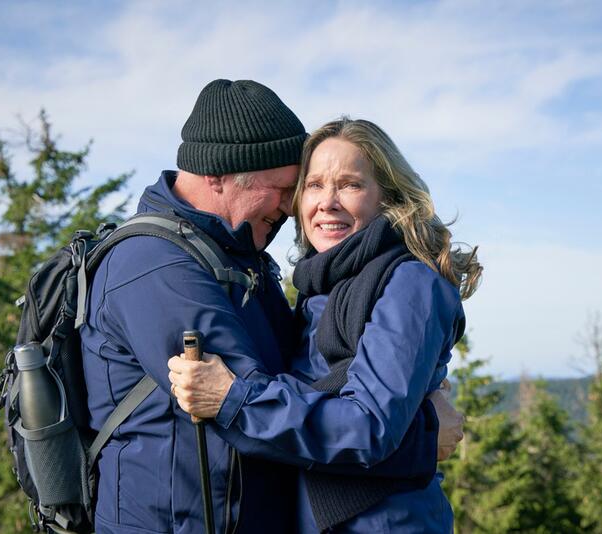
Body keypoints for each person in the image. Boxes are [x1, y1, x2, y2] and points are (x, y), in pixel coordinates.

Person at [80, 81, 459, 534]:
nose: (294, 205)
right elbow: (246, 406)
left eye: (349, 185)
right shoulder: (158, 267)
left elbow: (301, 404)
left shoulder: (244, 263)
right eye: (296, 186)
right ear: (218, 175)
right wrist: (426, 432)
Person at [169, 117, 482, 532]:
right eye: (314, 185)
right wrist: (425, 432)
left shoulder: (409, 282)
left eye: (350, 184)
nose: (327, 202)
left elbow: (368, 428)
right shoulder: (321, 289)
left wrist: (233, 399)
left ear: (386, 197)